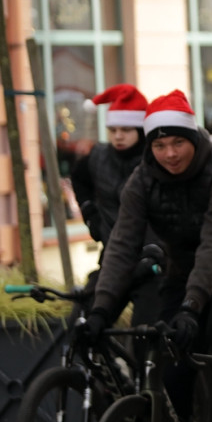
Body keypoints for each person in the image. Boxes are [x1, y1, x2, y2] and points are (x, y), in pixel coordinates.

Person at [81, 89, 212, 422]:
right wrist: (102, 308)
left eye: (178, 143)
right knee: (170, 370)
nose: (169, 154)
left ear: (193, 138)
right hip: (181, 272)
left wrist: (191, 307)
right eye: (160, 145)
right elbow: (122, 245)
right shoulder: (141, 180)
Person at [70, 84, 159, 325]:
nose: (118, 136)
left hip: (152, 265)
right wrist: (90, 212)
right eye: (113, 130)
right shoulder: (98, 157)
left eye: (126, 130)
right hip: (113, 258)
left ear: (140, 129)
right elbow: (78, 178)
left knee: (146, 332)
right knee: (85, 324)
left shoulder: (156, 160)